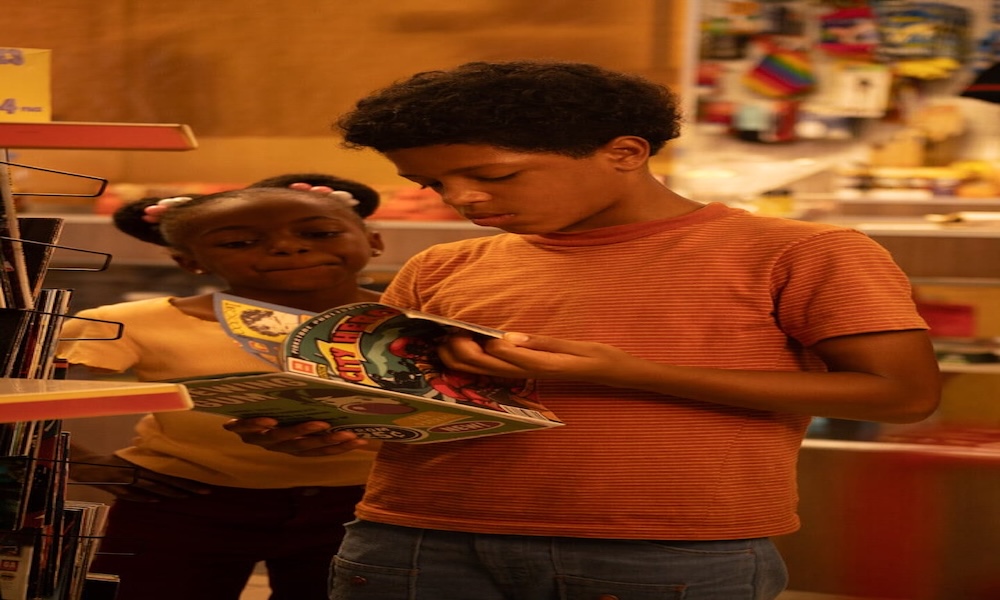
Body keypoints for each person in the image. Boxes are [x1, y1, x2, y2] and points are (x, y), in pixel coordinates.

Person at [226, 61, 942, 600]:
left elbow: (902, 394)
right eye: (436, 184)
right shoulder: (444, 263)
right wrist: (336, 424)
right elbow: (411, 406)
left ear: (625, 152)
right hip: (413, 539)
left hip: (663, 552)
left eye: (494, 175)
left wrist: (623, 372)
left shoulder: (801, 252)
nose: (463, 198)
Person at [57, 177, 385, 600]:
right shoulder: (128, 322)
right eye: (238, 242)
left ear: (373, 240)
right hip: (181, 504)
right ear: (189, 261)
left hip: (372, 507)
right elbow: (13, 385)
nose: (288, 248)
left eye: (319, 233)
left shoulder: (416, 319)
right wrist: (77, 461)